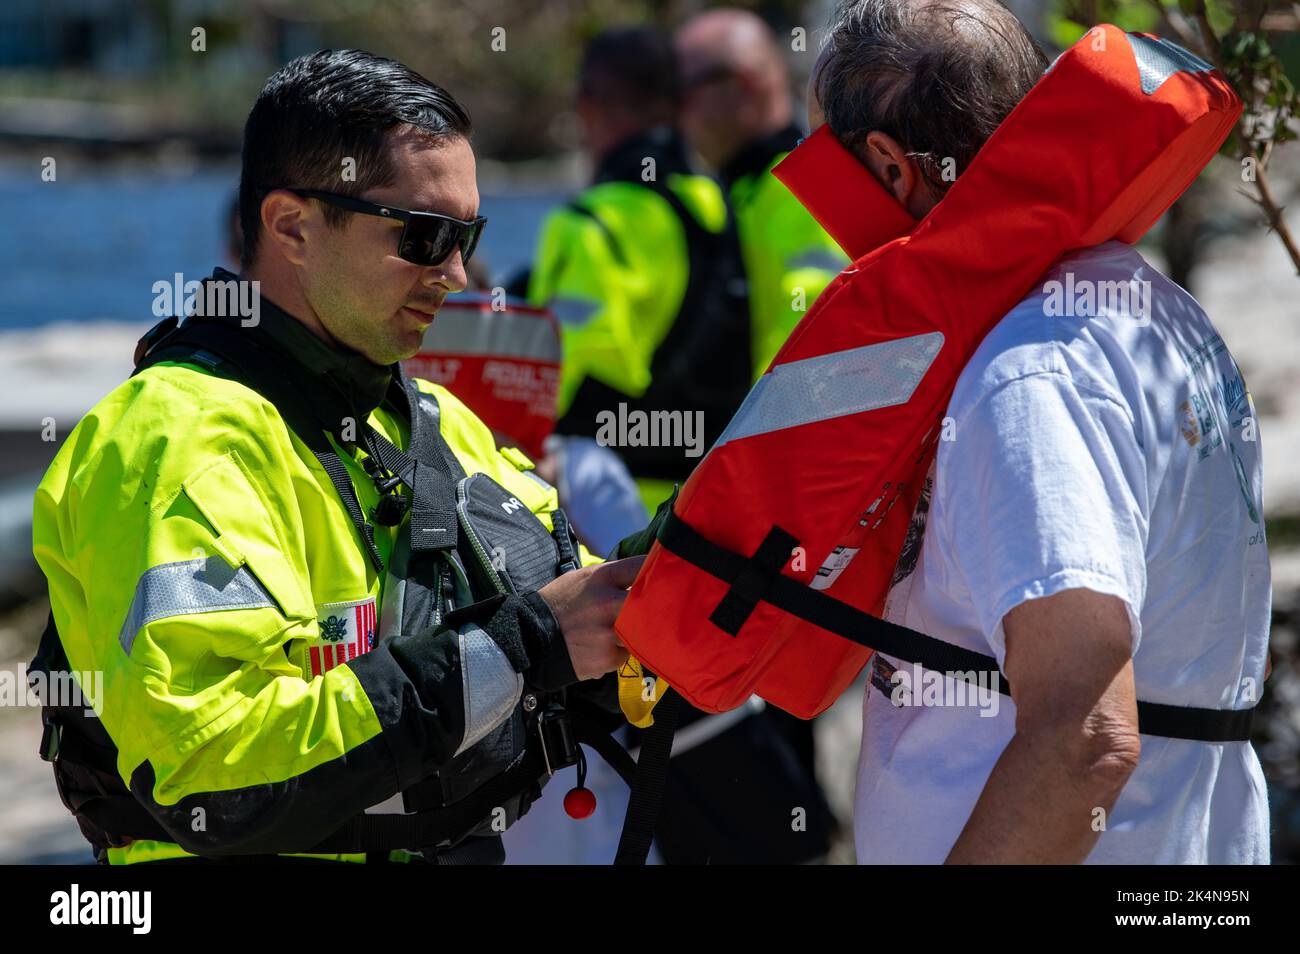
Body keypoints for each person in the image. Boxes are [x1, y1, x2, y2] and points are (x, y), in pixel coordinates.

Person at [30, 49, 638, 866]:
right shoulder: (172, 440)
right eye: (425, 237)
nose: (457, 276)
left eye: (470, 238)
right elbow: (222, 775)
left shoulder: (434, 419)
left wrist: (677, 579)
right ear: (291, 226)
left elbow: (575, 610)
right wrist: (524, 646)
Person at [811, 0, 1271, 863]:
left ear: (887, 167)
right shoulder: (1159, 316)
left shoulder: (1030, 374)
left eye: (819, 164)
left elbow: (1086, 737)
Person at [524, 26, 752, 514]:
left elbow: (562, 378)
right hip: (710, 504)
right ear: (676, 105)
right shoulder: (721, 204)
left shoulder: (590, 220)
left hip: (611, 517)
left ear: (587, 107)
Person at [676, 8, 847, 375]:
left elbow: (810, 356)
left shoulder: (802, 191)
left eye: (685, 91)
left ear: (746, 85)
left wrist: (751, 432)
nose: (678, 112)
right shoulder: (748, 190)